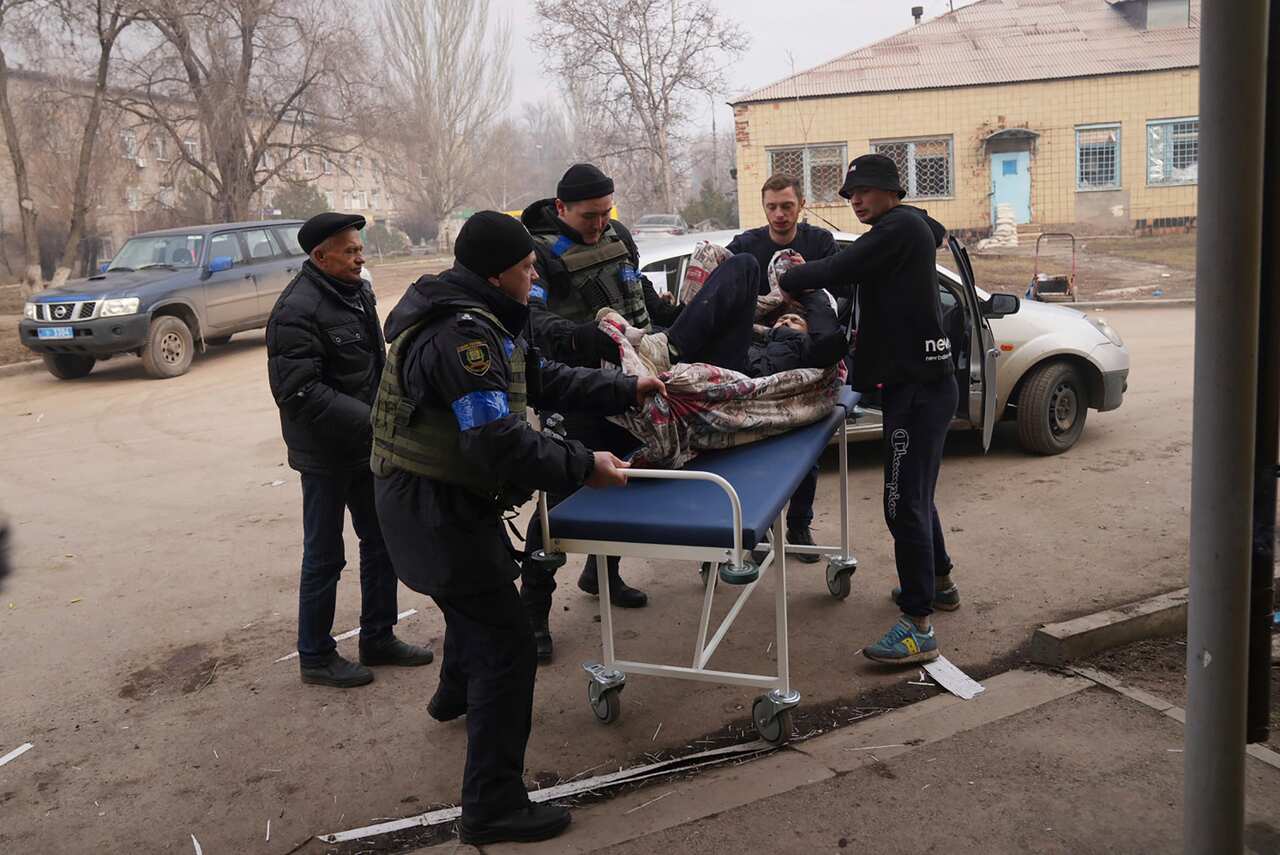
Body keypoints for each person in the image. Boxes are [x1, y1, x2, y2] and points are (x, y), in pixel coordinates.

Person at [371, 211, 663, 844]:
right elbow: (496, 442)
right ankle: (494, 805)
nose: (536, 279)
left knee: (474, 612)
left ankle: (452, 695)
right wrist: (586, 465)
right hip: (434, 510)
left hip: (438, 504)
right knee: (505, 646)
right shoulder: (462, 340)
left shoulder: (483, 320)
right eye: (528, 269)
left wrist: (625, 389)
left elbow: (541, 378)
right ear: (494, 272)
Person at [780, 153, 959, 666]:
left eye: (862, 191)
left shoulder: (897, 228)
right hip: (925, 386)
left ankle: (919, 626)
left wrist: (789, 276)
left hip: (916, 391)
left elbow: (840, 267)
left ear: (889, 190)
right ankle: (939, 583)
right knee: (918, 494)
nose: (854, 201)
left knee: (902, 503)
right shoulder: (913, 225)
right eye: (849, 195)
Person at [517, 164, 681, 660]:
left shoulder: (618, 234)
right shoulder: (540, 253)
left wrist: (668, 315)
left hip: (629, 384)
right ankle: (534, 617)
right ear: (562, 208)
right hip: (573, 392)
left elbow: (638, 294)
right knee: (557, 504)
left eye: (607, 212)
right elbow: (533, 319)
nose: (600, 223)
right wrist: (590, 336)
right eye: (590, 215)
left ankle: (602, 574)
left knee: (623, 480)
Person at [266, 213, 434, 688]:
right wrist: (376, 420)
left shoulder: (357, 291)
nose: (362, 257)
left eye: (360, 249)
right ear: (320, 257)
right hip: (323, 455)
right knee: (324, 554)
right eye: (351, 251)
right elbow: (298, 391)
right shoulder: (295, 310)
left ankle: (378, 637)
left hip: (366, 446)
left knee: (380, 540)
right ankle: (315, 654)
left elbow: (375, 365)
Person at [728, 175, 843, 562]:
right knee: (752, 454)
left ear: (802, 204)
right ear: (764, 207)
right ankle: (756, 532)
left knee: (805, 455)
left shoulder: (819, 244)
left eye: (787, 206)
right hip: (757, 360)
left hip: (807, 359)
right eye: (772, 206)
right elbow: (724, 292)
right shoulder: (745, 246)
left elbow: (832, 296)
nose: (779, 214)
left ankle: (799, 526)